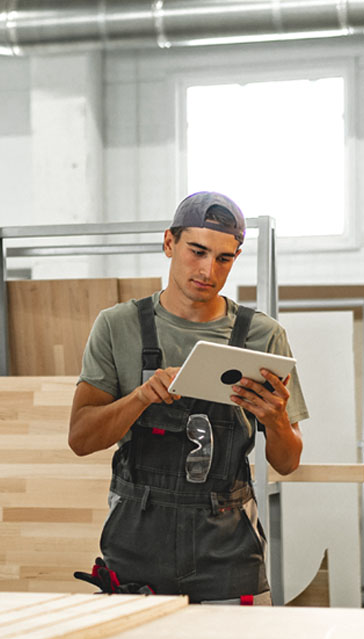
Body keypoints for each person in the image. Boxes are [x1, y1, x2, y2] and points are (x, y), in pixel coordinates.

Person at [67, 191, 308, 605]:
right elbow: (81, 439)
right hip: (135, 557)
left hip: (228, 560)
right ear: (168, 243)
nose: (208, 270)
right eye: (197, 252)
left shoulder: (262, 337)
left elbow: (287, 461)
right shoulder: (117, 326)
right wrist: (140, 397)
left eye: (223, 259)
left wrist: (277, 420)